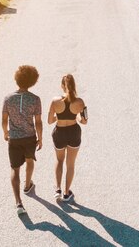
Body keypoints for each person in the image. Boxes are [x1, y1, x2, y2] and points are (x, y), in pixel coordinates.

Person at [2, 65, 43, 215]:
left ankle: (19, 203)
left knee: (14, 169)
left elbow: (4, 119)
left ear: (16, 79)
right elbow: (38, 121)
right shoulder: (35, 99)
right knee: (30, 161)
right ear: (33, 81)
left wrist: (5, 132)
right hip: (30, 137)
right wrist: (40, 138)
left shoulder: (8, 98)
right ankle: (27, 185)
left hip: (14, 138)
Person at [48, 74, 88, 202]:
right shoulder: (80, 102)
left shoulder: (55, 101)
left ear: (62, 86)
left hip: (59, 133)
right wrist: (75, 117)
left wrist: (59, 117)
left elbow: (49, 121)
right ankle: (66, 193)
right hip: (73, 133)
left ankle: (58, 189)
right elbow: (84, 121)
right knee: (70, 164)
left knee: (59, 160)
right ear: (74, 86)